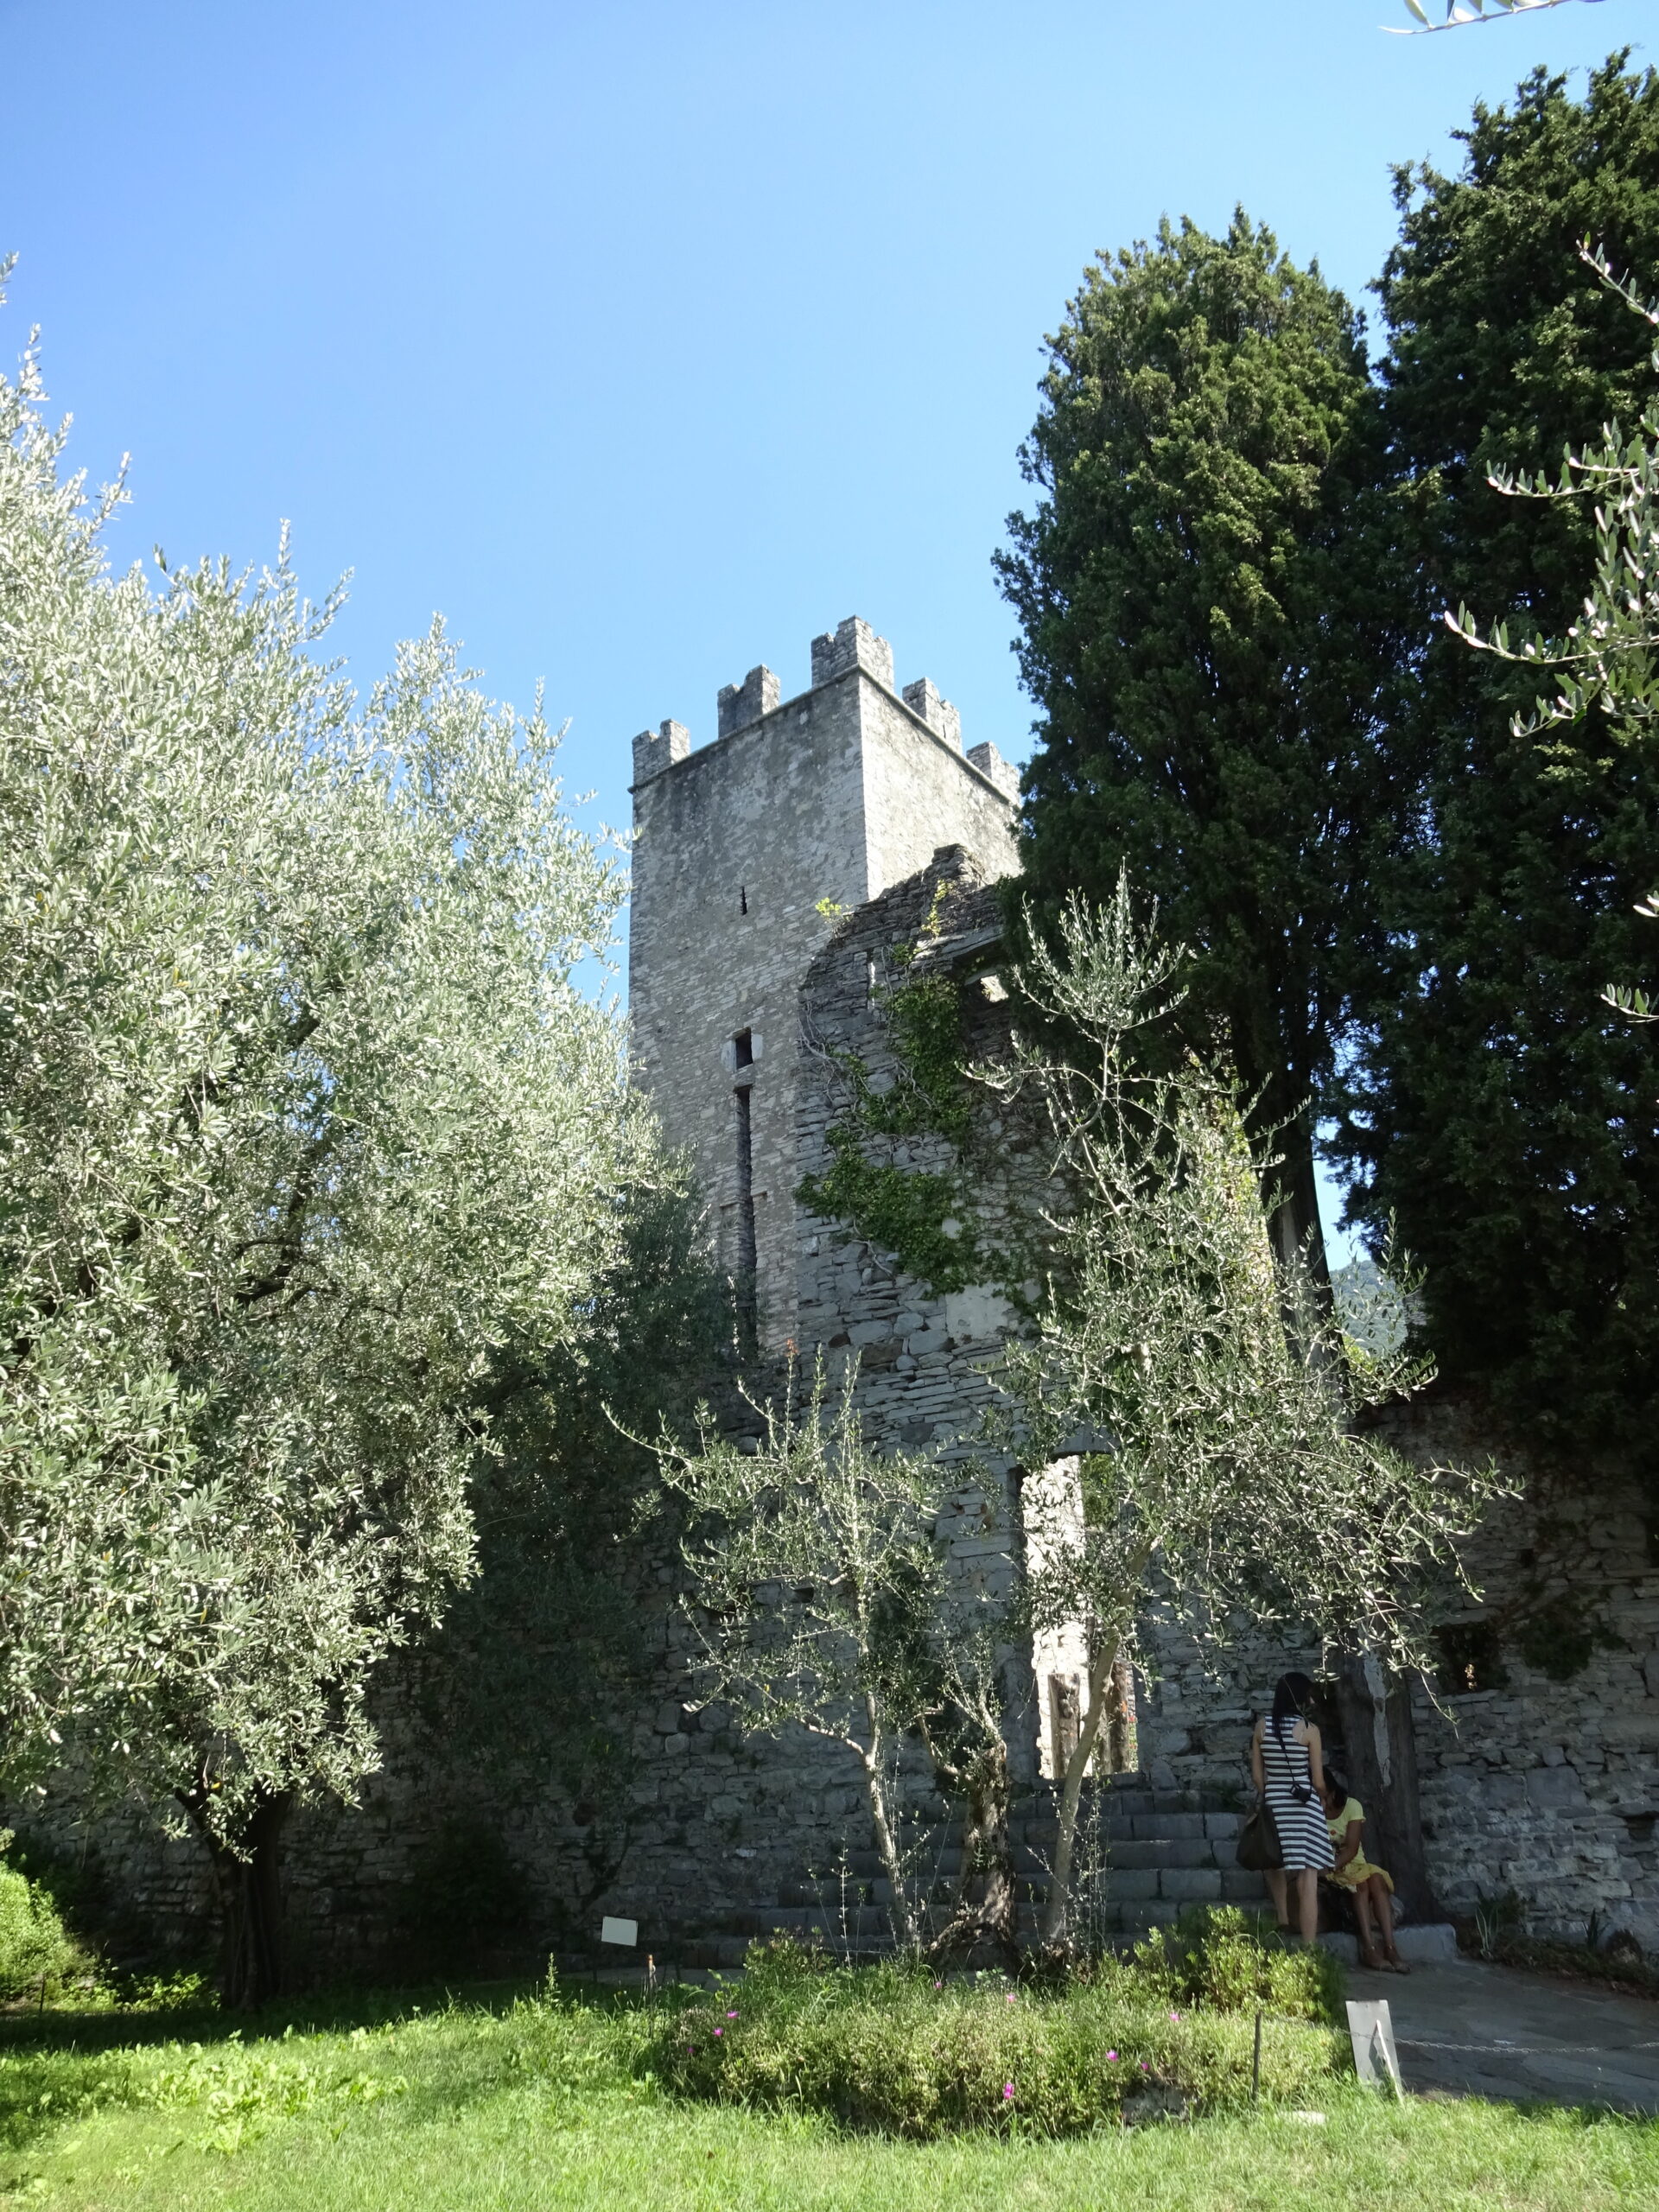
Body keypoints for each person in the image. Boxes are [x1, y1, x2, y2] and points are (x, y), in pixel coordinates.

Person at [1249, 1671, 1334, 1942]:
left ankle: (1283, 1917)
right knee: (1308, 1874)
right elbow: (1319, 1780)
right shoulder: (1310, 1730)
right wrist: (1320, 1797)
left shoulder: (1261, 1727)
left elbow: (1257, 1776)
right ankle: (1309, 1948)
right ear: (1300, 1696)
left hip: (1275, 1801)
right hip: (1304, 1804)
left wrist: (1270, 1793)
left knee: (1274, 1859)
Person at [1320, 1768, 1408, 1974]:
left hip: (1350, 1862)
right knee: (1361, 1884)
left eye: (1322, 1795)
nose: (1318, 1800)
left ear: (1333, 1792)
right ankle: (1369, 1948)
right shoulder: (1312, 1813)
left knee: (1376, 1880)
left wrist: (1333, 1865)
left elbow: (1351, 1848)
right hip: (1330, 1870)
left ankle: (1390, 1947)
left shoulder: (1352, 1806)